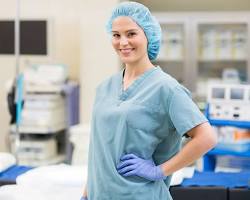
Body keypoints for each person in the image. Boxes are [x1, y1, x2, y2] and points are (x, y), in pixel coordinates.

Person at [80, 1, 217, 200]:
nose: (123, 42)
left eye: (131, 34)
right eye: (116, 35)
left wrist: (158, 171)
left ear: (148, 36)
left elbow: (207, 138)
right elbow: (99, 150)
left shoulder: (166, 88)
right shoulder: (105, 88)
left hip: (140, 195)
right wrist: (87, 193)